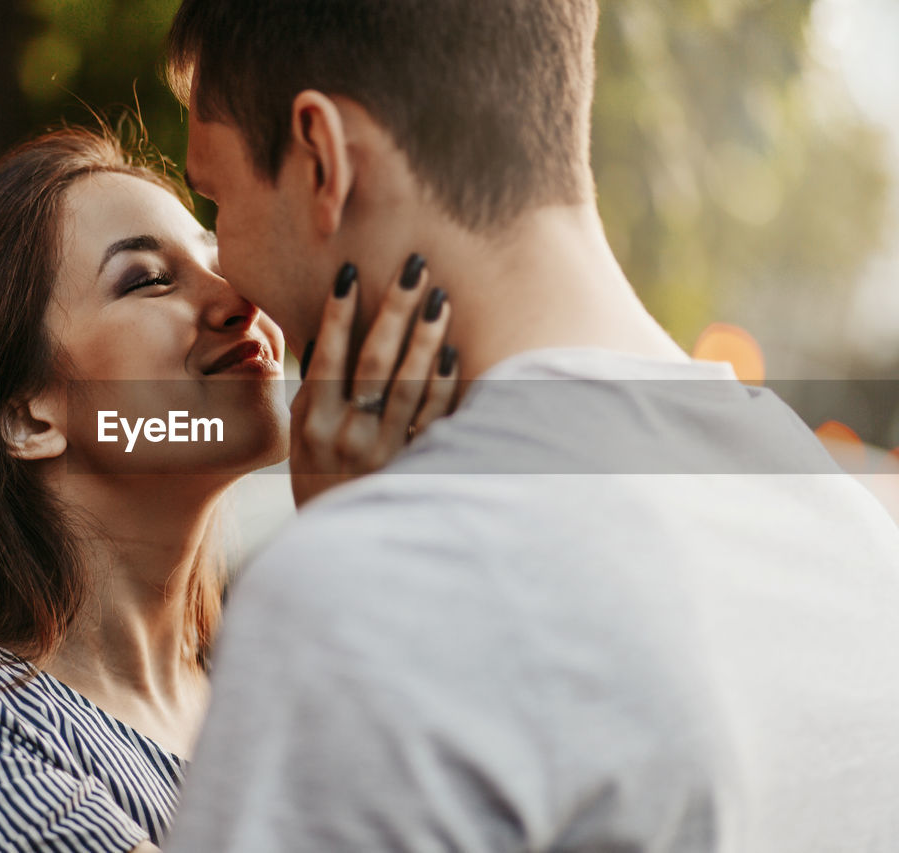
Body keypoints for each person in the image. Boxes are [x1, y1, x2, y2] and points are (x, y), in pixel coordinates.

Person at [160, 1, 899, 851]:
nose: (226, 276)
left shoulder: (359, 601)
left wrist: (356, 563)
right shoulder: (854, 533)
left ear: (323, 158)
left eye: (214, 197)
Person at [0, 127, 457, 853]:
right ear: (27, 414)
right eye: (148, 279)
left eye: (220, 259)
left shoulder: (277, 705)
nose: (237, 298)